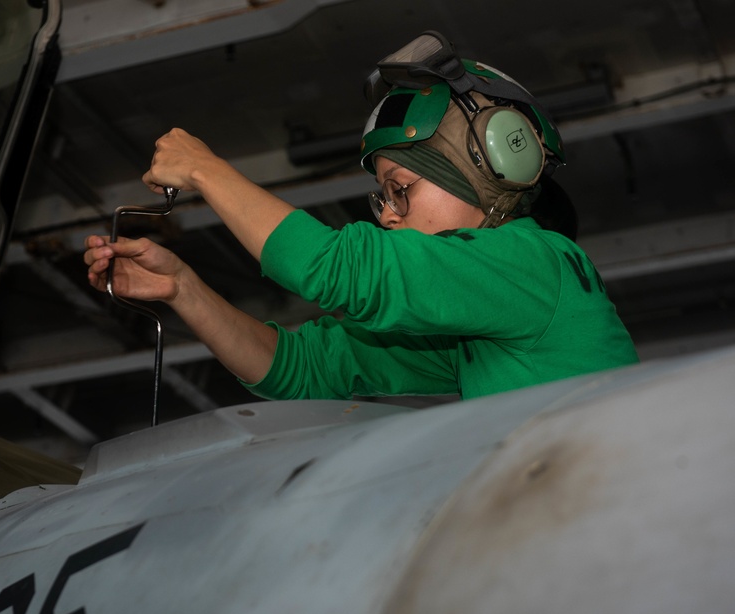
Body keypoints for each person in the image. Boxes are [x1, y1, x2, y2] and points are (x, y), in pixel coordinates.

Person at [84, 32, 638, 402]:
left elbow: (335, 268)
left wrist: (207, 171)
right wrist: (184, 289)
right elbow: (301, 368)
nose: (389, 218)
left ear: (486, 168)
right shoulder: (478, 331)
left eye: (400, 190)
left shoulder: (536, 262)